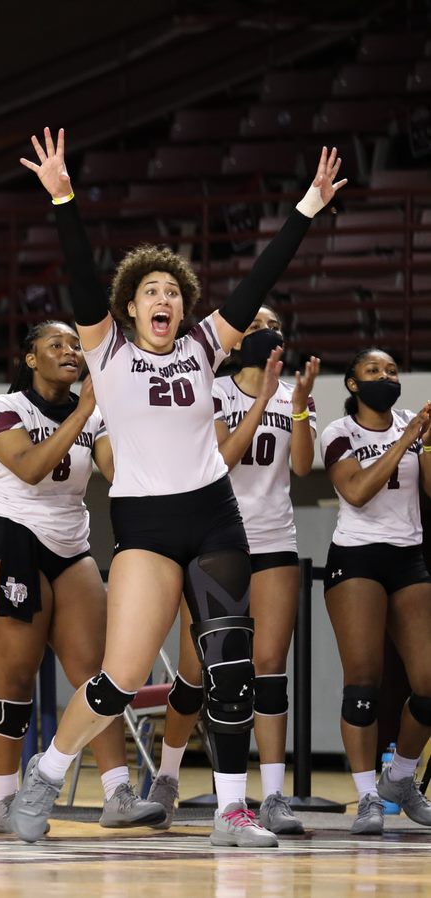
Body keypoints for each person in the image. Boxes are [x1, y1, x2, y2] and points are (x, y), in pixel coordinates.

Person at [8, 128, 343, 847]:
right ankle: (47, 771)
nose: (162, 298)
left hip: (215, 517)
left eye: (171, 292)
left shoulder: (201, 344)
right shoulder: (106, 348)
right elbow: (79, 274)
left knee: (231, 667)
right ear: (129, 309)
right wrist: (64, 196)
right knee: (120, 679)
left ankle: (230, 812)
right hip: (146, 527)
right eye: (150, 292)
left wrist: (309, 207)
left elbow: (259, 280)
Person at [0, 321, 164, 833]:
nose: (70, 351)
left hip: (71, 544)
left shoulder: (95, 417)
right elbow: (31, 468)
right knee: (14, 677)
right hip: (13, 537)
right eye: (55, 344)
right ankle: (3, 800)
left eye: (76, 345)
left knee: (99, 673)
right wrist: (84, 410)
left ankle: (117, 792)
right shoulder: (4, 408)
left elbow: (119, 475)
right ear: (30, 358)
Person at [149, 308, 318, 835]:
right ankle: (169, 776)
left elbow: (304, 466)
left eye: (276, 326)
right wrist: (263, 399)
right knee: (196, 672)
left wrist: (298, 408)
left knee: (268, 669)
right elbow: (223, 457)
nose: (267, 330)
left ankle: (271, 796)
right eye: (256, 323)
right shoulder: (213, 389)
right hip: (216, 538)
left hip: (273, 540)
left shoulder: (294, 392)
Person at [320, 348, 431, 835]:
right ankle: (367, 796)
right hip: (357, 556)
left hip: (408, 556)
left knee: (429, 686)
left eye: (391, 370)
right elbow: (358, 491)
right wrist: (409, 437)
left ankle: (400, 779)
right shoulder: (338, 433)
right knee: (363, 685)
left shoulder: (415, 426)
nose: (385, 376)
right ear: (352, 384)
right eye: (373, 371)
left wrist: (427, 444)